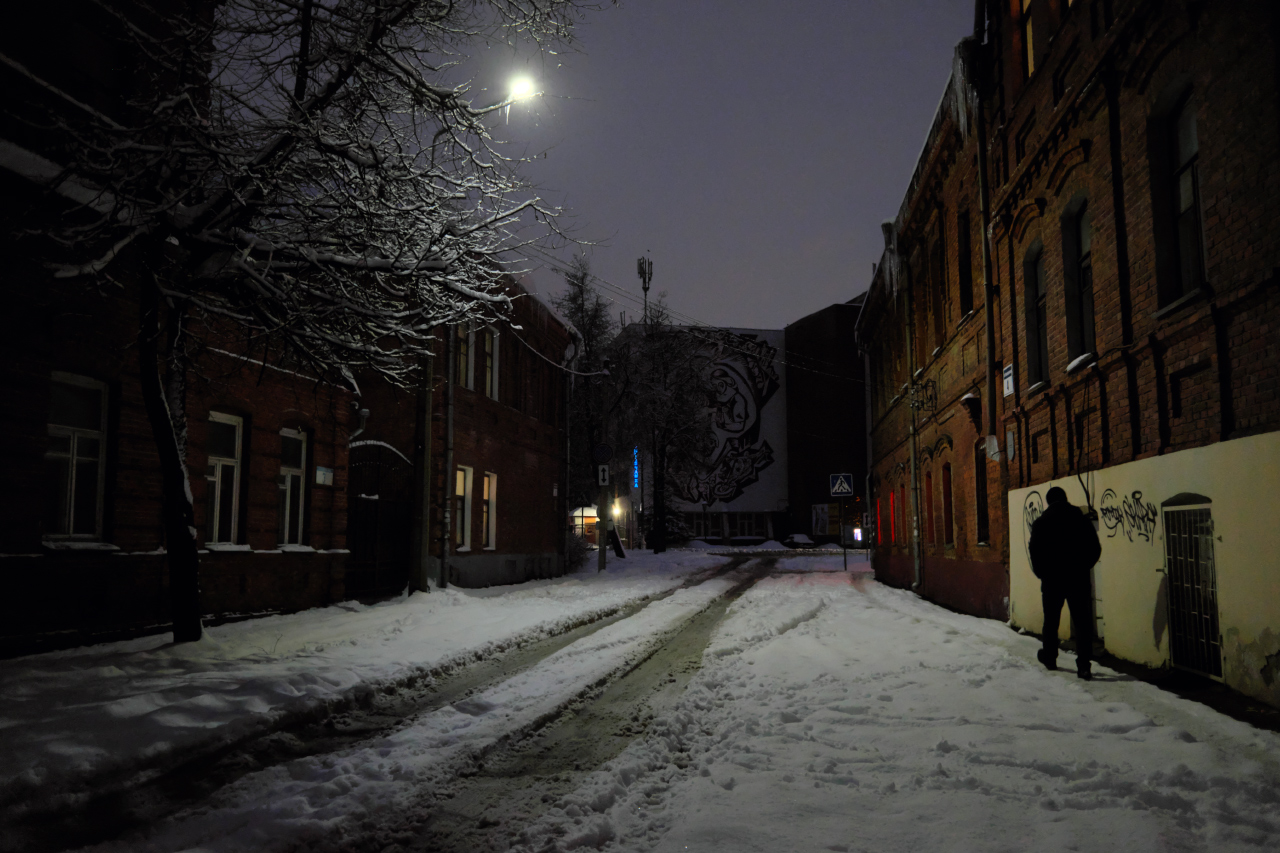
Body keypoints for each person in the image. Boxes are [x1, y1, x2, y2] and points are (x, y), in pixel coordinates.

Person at [1028, 486, 1102, 680]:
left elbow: (1034, 552)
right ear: (1066, 498)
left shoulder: (1042, 523)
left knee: (1051, 621)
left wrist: (1043, 573)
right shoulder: (1081, 520)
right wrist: (1083, 567)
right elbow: (1095, 548)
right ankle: (1084, 666)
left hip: (1052, 580)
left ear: (1048, 501)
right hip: (1078, 579)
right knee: (1082, 623)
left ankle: (1050, 658)